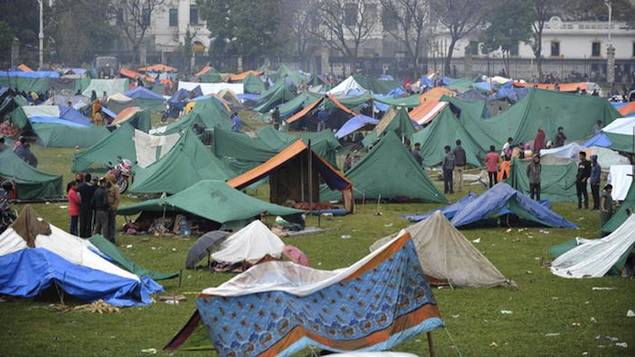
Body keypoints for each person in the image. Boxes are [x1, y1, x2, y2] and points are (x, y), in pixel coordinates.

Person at [77, 173, 97, 238]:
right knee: (89, 221)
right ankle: (88, 235)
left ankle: (82, 235)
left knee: (82, 221)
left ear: (85, 179)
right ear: (90, 179)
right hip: (90, 206)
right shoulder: (93, 188)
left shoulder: (81, 186)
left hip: (82, 205)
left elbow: (78, 196)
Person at [105, 173, 120, 243]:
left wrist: (114, 207)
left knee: (112, 224)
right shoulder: (106, 186)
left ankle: (112, 238)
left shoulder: (115, 187)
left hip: (112, 207)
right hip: (106, 207)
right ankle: (107, 237)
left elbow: (117, 199)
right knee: (106, 224)